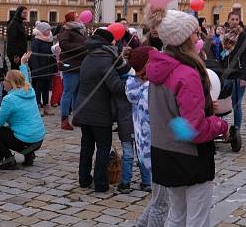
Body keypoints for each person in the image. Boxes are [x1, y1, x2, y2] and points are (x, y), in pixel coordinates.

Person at [146, 7, 229, 227]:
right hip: (189, 157)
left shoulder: (157, 68)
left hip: (165, 152)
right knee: (197, 220)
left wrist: (205, 107)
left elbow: (170, 113)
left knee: (176, 215)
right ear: (183, 38)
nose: (198, 35)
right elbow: (196, 129)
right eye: (194, 32)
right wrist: (220, 124)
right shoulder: (186, 73)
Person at [73, 28, 127, 192]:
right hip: (100, 112)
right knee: (103, 147)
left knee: (87, 146)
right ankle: (100, 183)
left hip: (83, 110)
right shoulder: (105, 61)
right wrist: (130, 85)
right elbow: (116, 87)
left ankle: (84, 179)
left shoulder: (88, 57)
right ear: (108, 44)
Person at [127, 46, 167, 226]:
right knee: (162, 204)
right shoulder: (150, 91)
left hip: (149, 152)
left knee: (158, 199)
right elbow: (166, 123)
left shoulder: (137, 86)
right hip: (158, 153)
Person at [0, 50, 45, 169]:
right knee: (11, 129)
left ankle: (9, 160)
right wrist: (23, 63)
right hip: (39, 139)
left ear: (11, 83)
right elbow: (25, 79)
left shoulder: (9, 99)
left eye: (5, 80)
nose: (3, 83)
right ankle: (29, 155)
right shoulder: (29, 90)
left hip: (25, 140)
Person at [220, 11, 246, 139]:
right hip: (226, 75)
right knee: (221, 102)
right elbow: (221, 55)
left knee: (236, 104)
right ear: (228, 20)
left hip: (238, 75)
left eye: (237, 19)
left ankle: (237, 131)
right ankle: (220, 128)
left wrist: (244, 77)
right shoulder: (223, 35)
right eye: (232, 19)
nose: (235, 21)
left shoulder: (243, 36)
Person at [58, 12, 87, 130]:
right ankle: (64, 120)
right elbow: (63, 45)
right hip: (70, 66)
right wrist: (82, 47)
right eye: (77, 16)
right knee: (68, 93)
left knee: (78, 94)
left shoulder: (79, 30)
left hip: (80, 65)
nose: (79, 18)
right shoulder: (66, 31)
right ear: (71, 19)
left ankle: (77, 117)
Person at [30, 22, 56, 116]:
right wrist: (36, 69)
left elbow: (52, 54)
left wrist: (54, 67)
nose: (49, 31)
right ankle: (38, 106)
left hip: (48, 68)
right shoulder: (36, 40)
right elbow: (34, 56)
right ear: (42, 31)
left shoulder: (49, 40)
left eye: (49, 29)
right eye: (47, 30)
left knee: (46, 88)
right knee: (38, 88)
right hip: (39, 68)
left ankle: (46, 105)